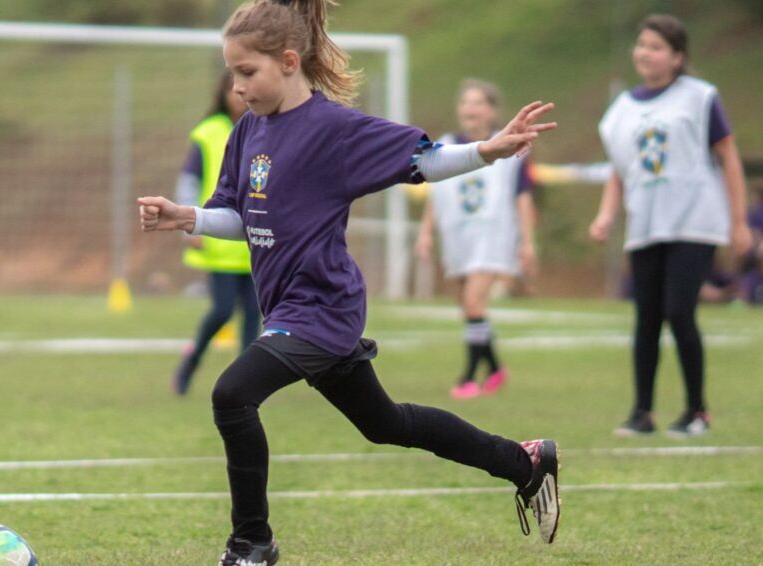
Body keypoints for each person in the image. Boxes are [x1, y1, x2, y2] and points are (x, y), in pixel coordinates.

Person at [138, 1, 560, 562]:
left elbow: (424, 163)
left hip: (323, 308)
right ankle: (524, 462)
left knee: (232, 394)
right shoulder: (247, 134)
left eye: (248, 73)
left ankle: (251, 544)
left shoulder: (332, 129)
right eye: (232, 74)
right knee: (385, 424)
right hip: (289, 309)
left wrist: (490, 150)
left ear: (289, 62)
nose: (237, 87)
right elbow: (243, 219)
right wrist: (185, 216)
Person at [591, 14, 751, 438]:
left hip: (695, 221)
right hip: (646, 224)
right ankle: (642, 412)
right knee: (646, 318)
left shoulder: (699, 98)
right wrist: (607, 215)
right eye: (642, 45)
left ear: (678, 57)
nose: (646, 53)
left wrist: (738, 221)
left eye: (657, 47)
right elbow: (619, 170)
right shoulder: (621, 110)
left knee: (679, 311)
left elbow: (728, 156)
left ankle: (697, 411)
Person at [415, 79, 537, 399]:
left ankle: (468, 377)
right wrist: (426, 233)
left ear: (492, 111)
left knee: (473, 302)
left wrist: (527, 242)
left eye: (477, 102)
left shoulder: (508, 146)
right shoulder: (445, 146)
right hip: (457, 237)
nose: (469, 109)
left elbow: (522, 197)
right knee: (469, 308)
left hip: (492, 237)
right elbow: (436, 193)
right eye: (465, 102)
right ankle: (496, 368)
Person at [173, 70, 261, 396]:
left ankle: (245, 387)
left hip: (255, 244)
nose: (239, 94)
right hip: (218, 243)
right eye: (232, 89)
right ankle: (190, 363)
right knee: (222, 310)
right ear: (223, 93)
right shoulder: (208, 133)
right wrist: (188, 222)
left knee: (253, 318)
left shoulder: (266, 128)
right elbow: (189, 181)